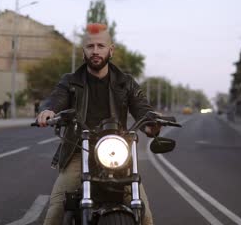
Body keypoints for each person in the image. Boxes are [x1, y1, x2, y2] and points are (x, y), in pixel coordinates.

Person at [36, 23, 160, 225]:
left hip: (117, 153)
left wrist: (150, 123)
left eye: (101, 46)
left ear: (111, 50)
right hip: (79, 151)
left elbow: (141, 106)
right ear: (83, 50)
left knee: (144, 214)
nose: (95, 51)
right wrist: (49, 110)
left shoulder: (125, 82)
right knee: (56, 211)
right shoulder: (70, 81)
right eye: (90, 46)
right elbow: (56, 98)